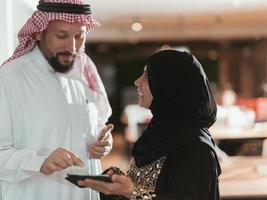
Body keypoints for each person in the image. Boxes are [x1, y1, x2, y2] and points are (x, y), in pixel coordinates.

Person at [0, 0, 113, 200]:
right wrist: (39, 162)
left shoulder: (84, 71)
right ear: (38, 32)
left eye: (79, 36)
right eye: (61, 36)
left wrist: (103, 143)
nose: (71, 47)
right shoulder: (10, 77)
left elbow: (97, 127)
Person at [78, 50, 221, 200]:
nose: (137, 82)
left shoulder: (195, 147)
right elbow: (147, 186)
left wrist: (131, 191)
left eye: (147, 75)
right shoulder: (158, 132)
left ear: (170, 83)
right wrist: (117, 181)